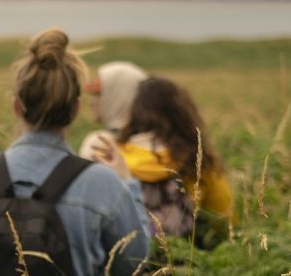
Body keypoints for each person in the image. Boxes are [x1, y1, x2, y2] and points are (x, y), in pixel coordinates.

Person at [0, 29, 151, 276]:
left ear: (16, 106)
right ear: (75, 109)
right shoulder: (102, 183)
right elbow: (135, 263)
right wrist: (129, 183)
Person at [80, 69, 233, 238]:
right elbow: (224, 217)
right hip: (183, 257)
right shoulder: (196, 159)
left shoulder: (111, 155)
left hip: (127, 254)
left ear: (135, 112)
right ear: (185, 114)